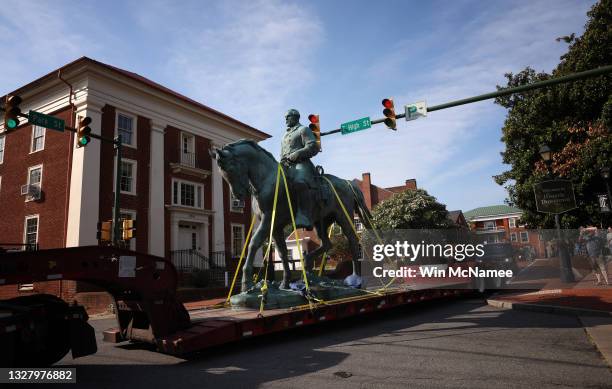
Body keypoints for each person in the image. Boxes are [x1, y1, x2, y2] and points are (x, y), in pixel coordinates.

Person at [279, 109, 320, 229]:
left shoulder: (303, 129)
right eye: (285, 117)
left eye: (288, 116)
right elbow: (282, 154)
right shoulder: (284, 136)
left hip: (301, 164)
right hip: (286, 166)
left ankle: (304, 215)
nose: (286, 119)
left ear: (296, 117)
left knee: (299, 183)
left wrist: (297, 154)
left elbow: (313, 146)